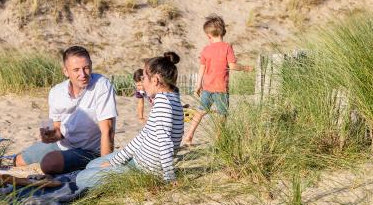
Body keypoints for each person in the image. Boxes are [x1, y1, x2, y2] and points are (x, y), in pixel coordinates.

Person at [76, 52, 184, 189]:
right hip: (140, 158)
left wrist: (169, 177)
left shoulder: (163, 104)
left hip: (145, 170)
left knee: (82, 178)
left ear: (155, 81)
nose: (142, 83)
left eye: (144, 78)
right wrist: (116, 161)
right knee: (93, 165)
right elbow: (143, 137)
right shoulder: (172, 98)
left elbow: (165, 143)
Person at [15, 46, 117, 175]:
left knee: (50, 163)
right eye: (76, 70)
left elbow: (108, 130)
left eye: (86, 68)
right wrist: (48, 135)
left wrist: (104, 167)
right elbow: (57, 131)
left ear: (91, 65)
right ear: (66, 71)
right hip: (63, 145)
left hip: (90, 150)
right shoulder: (56, 92)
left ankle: (85, 162)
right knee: (19, 161)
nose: (83, 74)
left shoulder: (102, 85)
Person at [183, 15, 252, 145]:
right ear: (222, 32)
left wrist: (198, 85)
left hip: (207, 87)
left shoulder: (206, 49)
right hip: (221, 88)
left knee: (200, 111)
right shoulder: (227, 47)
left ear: (209, 35)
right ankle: (219, 138)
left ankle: (189, 135)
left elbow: (201, 68)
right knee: (222, 114)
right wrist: (245, 68)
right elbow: (232, 66)